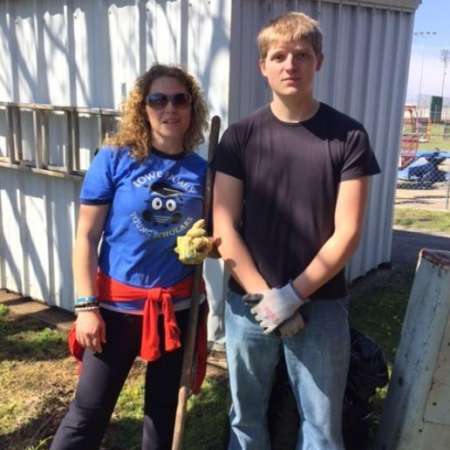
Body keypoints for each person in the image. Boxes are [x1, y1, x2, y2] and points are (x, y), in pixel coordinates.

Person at [212, 11, 381, 450]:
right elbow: (224, 224)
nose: (291, 65)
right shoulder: (240, 137)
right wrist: (265, 297)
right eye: (279, 55)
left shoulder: (347, 136)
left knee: (322, 426)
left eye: (302, 55)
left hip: (320, 305)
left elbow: (348, 231)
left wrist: (292, 296)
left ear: (319, 62)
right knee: (245, 418)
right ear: (262, 66)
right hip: (248, 304)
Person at [50, 64, 212, 450]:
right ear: (143, 107)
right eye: (158, 99)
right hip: (116, 308)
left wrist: (208, 246)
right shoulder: (115, 159)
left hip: (178, 308)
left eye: (179, 99)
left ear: (192, 108)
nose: (169, 108)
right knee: (88, 411)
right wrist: (86, 306)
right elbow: (86, 236)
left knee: (161, 412)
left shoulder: (203, 172)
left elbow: (220, 235)